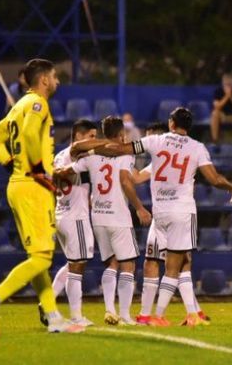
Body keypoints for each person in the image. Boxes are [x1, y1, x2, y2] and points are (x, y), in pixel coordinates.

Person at [72, 107, 232, 326]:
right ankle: (163, 315)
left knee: (155, 263)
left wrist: (90, 151)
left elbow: (121, 151)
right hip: (182, 211)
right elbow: (214, 178)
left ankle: (183, 312)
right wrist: (231, 187)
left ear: (171, 123)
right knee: (178, 264)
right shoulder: (197, 148)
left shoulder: (156, 143)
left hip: (159, 213)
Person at [0, 58, 83, 336]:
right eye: (55, 76)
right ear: (44, 80)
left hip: (18, 184)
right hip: (33, 188)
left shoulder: (17, 107)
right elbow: (29, 133)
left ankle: (53, 315)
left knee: (38, 257)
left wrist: (11, 163)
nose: (58, 81)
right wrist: (36, 168)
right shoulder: (38, 104)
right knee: (42, 259)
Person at [55, 116, 152, 326]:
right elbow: (126, 180)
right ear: (121, 135)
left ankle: (109, 309)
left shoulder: (92, 154)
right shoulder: (125, 153)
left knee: (111, 263)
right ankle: (125, 315)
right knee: (128, 265)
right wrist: (140, 208)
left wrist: (57, 172)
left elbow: (69, 170)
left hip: (98, 217)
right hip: (118, 216)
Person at [132, 125, 209, 326]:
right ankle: (147, 315)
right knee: (154, 262)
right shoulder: (158, 161)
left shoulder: (170, 155)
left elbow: (136, 178)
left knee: (181, 262)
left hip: (173, 216)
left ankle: (192, 312)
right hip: (164, 219)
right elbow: (136, 177)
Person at [39, 119, 98, 327]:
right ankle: (76, 316)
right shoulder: (74, 152)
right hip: (76, 216)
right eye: (91, 136)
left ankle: (48, 301)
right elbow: (78, 148)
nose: (94, 140)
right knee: (78, 267)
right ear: (79, 136)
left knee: (73, 263)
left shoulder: (59, 156)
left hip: (62, 213)